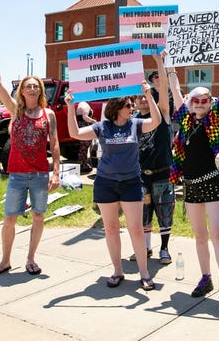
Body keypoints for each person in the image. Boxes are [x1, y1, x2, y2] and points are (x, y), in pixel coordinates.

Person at [166, 42, 219, 317]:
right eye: (195, 100)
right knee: (199, 237)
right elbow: (175, 90)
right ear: (189, 102)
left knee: (217, 236)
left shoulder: (215, 119)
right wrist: (170, 67)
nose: (199, 104)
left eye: (205, 100)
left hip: (212, 183)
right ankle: (205, 276)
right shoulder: (184, 121)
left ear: (210, 103)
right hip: (190, 186)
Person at [65, 83, 161, 291]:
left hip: (131, 183)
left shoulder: (135, 124)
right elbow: (75, 133)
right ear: (117, 107)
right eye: (128, 105)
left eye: (132, 105)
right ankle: (118, 271)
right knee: (110, 228)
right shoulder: (102, 127)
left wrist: (148, 95)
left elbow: (156, 121)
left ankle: (144, 273)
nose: (132, 108)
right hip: (105, 183)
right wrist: (71, 106)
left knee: (135, 228)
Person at [0, 38, 61, 278]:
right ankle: (5, 261)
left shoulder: (48, 114)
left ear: (40, 91)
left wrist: (56, 171)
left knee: (38, 216)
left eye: (35, 86)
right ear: (22, 90)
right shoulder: (16, 111)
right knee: (9, 219)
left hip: (40, 174)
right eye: (27, 86)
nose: (32, 89)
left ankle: (31, 259)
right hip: (17, 175)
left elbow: (55, 145)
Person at [131, 54, 175, 265]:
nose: (142, 99)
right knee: (143, 214)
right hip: (140, 177)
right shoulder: (130, 122)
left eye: (145, 96)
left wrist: (159, 63)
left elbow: (164, 90)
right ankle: (146, 248)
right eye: (138, 97)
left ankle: (164, 249)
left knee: (164, 212)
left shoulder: (162, 114)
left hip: (162, 174)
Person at [75, 100, 96, 173]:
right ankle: (84, 165)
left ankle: (83, 164)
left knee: (83, 147)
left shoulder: (80, 104)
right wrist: (94, 122)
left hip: (81, 126)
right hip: (85, 127)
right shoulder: (84, 104)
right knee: (85, 146)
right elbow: (85, 117)